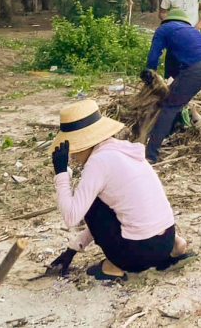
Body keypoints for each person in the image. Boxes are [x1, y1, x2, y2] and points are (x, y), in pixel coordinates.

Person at [46, 99, 192, 281]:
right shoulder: (125, 150)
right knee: (115, 202)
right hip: (168, 241)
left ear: (85, 144)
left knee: (92, 206)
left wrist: (61, 174)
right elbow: (115, 213)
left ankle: (114, 267)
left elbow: (71, 217)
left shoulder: (98, 162)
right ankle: (178, 245)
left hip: (138, 256)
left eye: (73, 150)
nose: (73, 157)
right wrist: (74, 248)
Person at [143, 8, 201, 163]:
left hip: (200, 68)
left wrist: (149, 79)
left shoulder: (163, 29)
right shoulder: (191, 31)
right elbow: (173, 62)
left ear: (167, 20)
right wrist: (171, 80)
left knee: (170, 105)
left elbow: (153, 57)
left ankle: (150, 155)